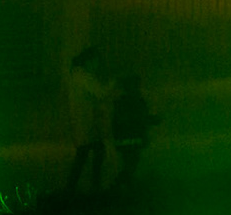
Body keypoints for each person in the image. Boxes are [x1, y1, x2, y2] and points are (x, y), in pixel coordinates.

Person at [65, 47, 114, 192]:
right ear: (89, 62)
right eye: (96, 63)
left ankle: (74, 187)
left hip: (81, 122)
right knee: (90, 153)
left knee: (86, 153)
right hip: (85, 123)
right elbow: (101, 93)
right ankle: (90, 185)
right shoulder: (85, 77)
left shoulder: (75, 75)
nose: (97, 66)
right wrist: (113, 83)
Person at [111, 74, 160, 187]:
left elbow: (134, 118)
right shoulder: (134, 100)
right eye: (137, 85)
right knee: (131, 162)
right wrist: (153, 119)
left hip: (125, 138)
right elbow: (138, 118)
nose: (139, 88)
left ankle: (124, 183)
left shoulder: (122, 101)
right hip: (131, 137)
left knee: (130, 162)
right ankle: (122, 183)